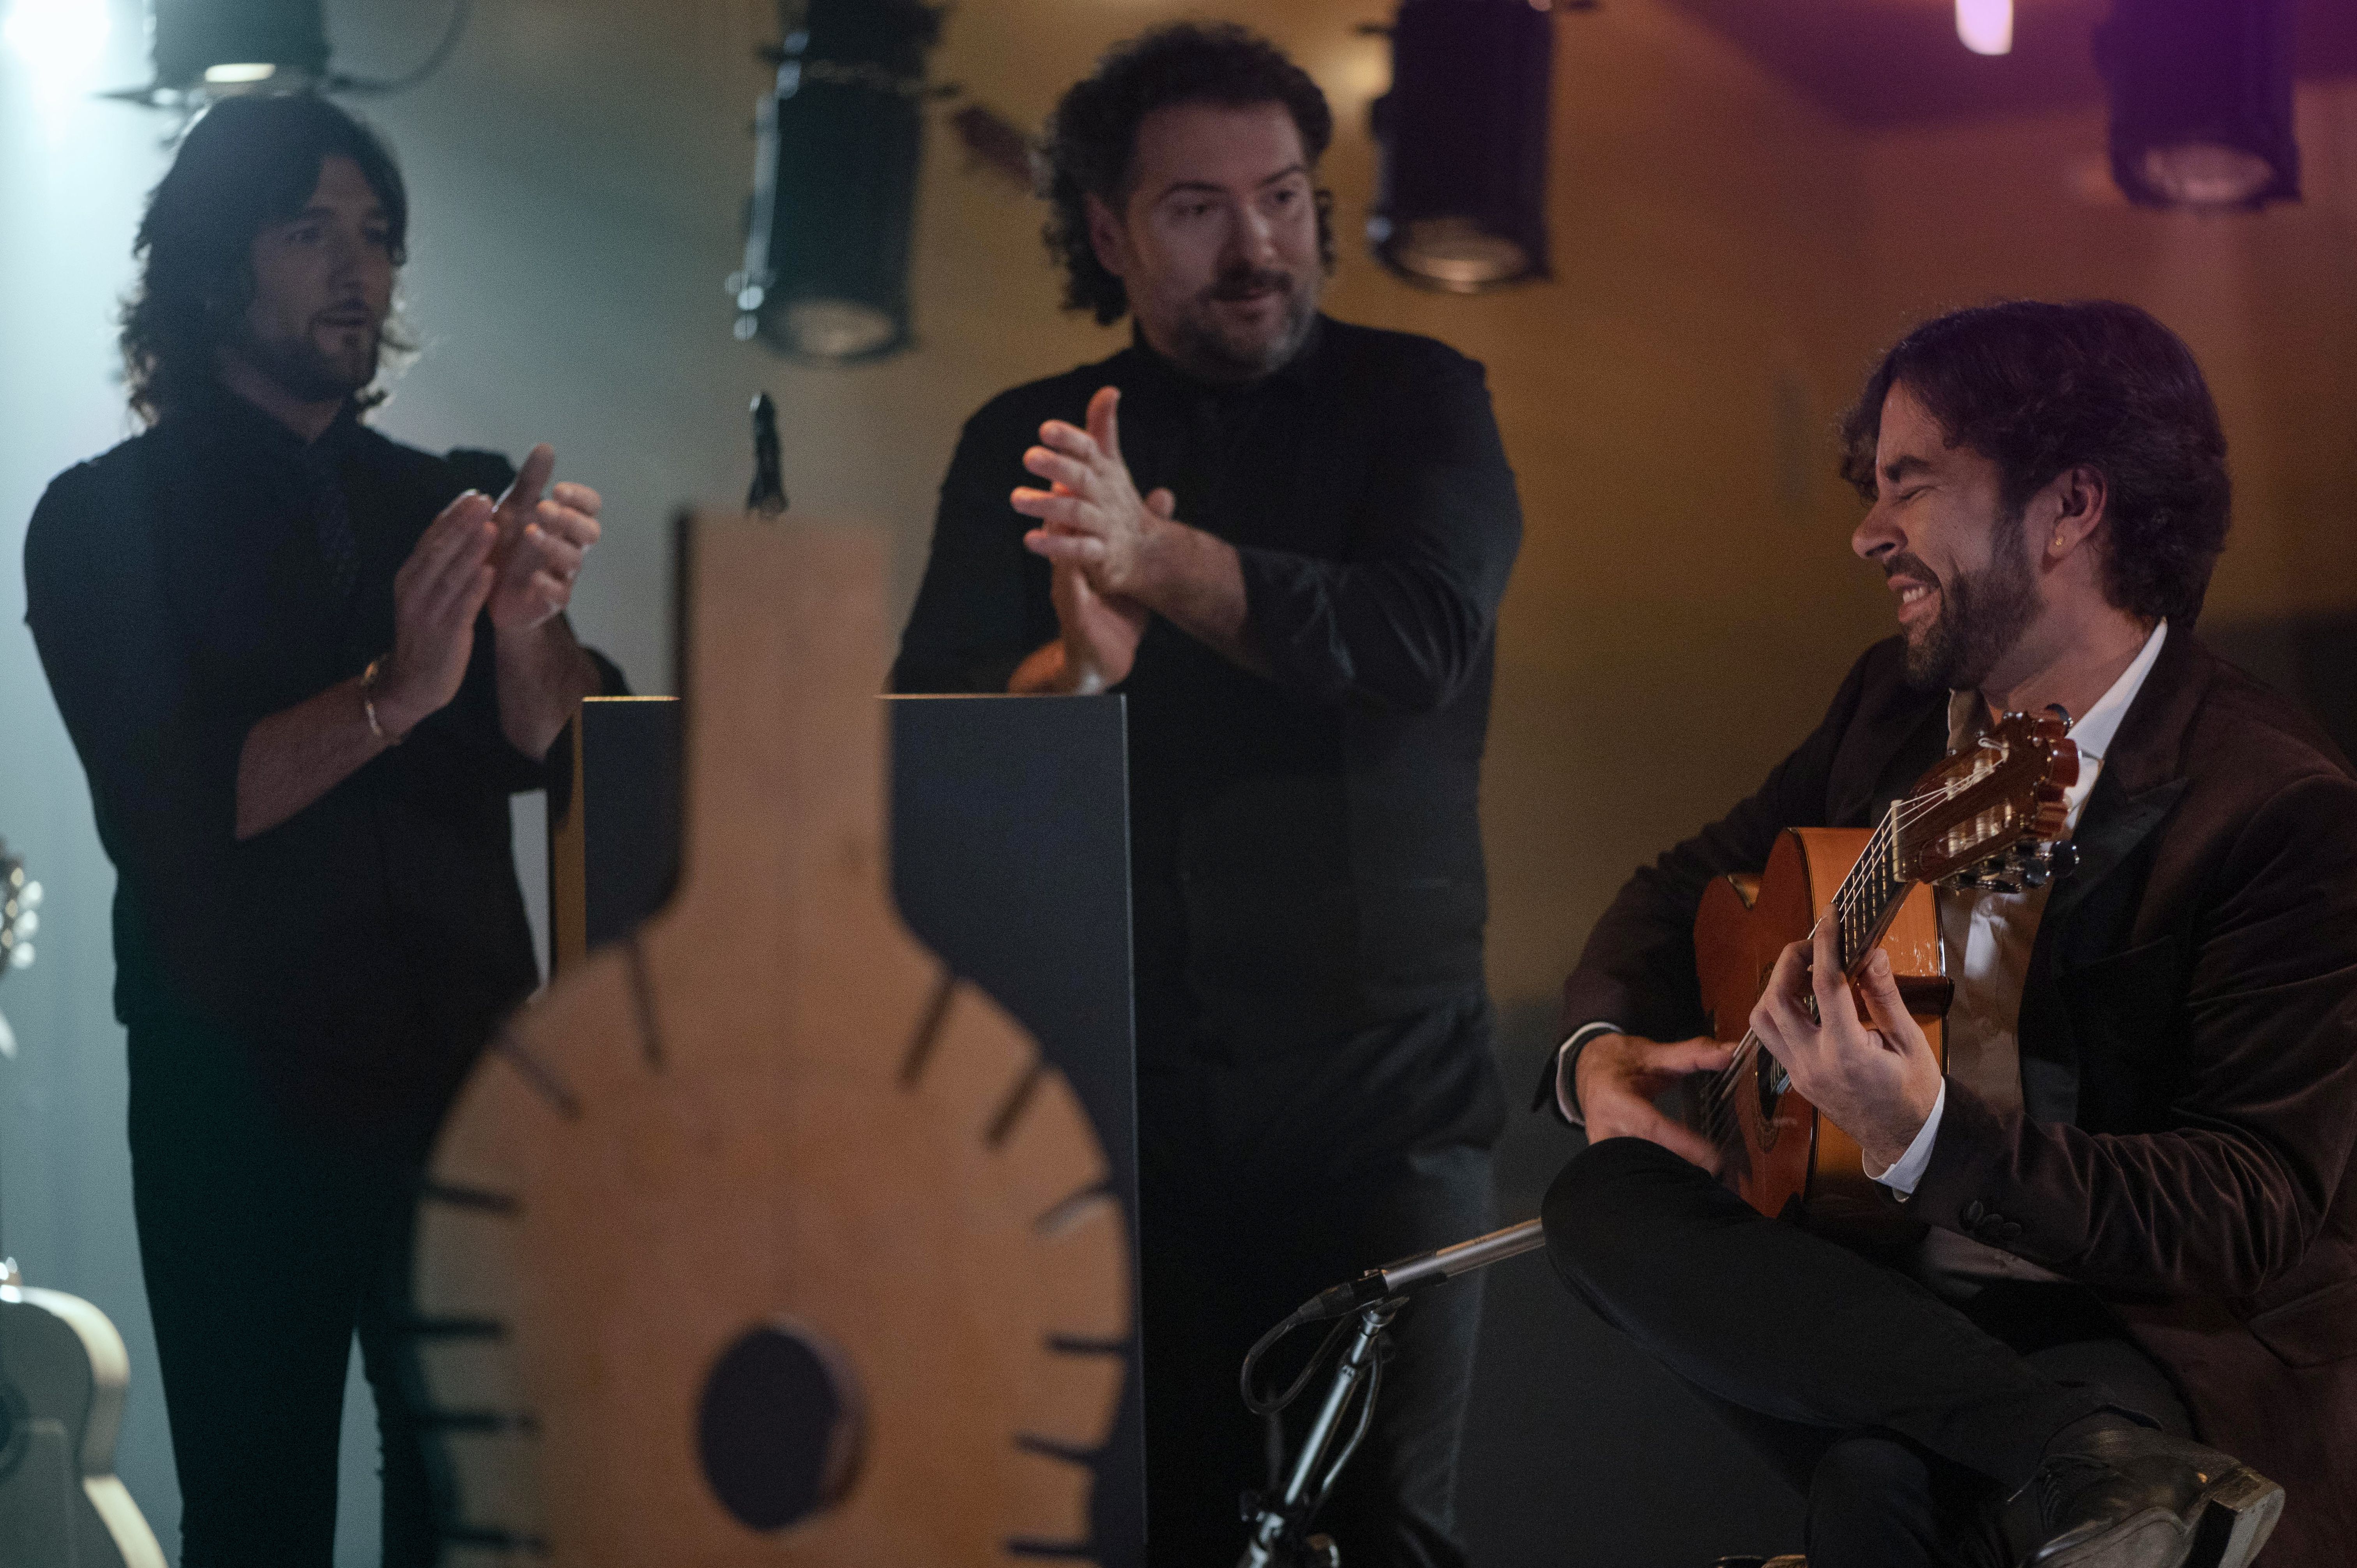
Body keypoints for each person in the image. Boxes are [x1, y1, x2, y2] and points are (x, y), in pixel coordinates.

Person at [1539, 301, 2356, 1567]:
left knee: (1883, 1497)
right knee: (1601, 1200)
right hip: (1901, 1293)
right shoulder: (1892, 708)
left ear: (2070, 507)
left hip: (2143, 1324)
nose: (1868, 533)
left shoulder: (2276, 805)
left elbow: (2247, 1208)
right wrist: (1598, 1051)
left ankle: (2092, 1458)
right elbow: (1681, 886)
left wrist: (1924, 1136)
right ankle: (2079, 1460)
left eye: (1910, 485)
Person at [890, 25, 1523, 1567]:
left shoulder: (1422, 397)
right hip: (1127, 1100)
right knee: (1152, 1529)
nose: (1257, 246)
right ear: (1107, 232)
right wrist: (1075, 676)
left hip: (1388, 1103)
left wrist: (1159, 561)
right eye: (1197, 208)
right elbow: (937, 752)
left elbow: (1419, 643)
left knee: (1379, 1536)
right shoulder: (1024, 442)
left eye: (1284, 197)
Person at [22, 95, 622, 1567]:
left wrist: (529, 629)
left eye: (378, 236)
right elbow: (166, 811)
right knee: (257, 1519)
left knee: (475, 1516)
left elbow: (577, 754)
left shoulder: (448, 497)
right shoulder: (101, 519)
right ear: (211, 267)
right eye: (310, 232)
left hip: (468, 1086)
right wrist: (392, 696)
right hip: (238, 1104)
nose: (360, 270)